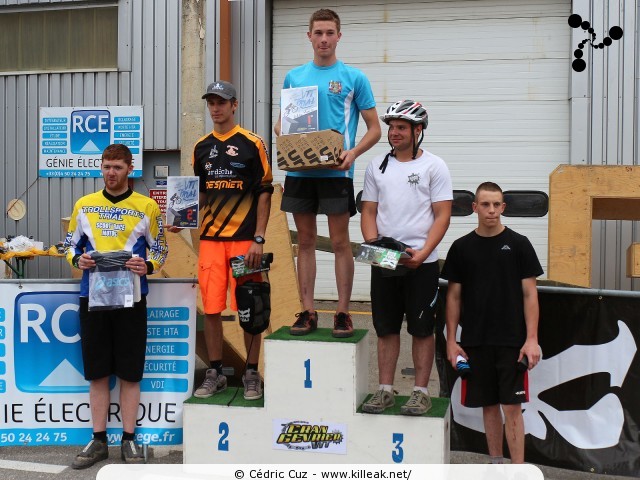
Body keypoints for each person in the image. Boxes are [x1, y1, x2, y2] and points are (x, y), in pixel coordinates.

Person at [274, 8, 381, 338]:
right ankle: (307, 311)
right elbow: (282, 123)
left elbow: (375, 128)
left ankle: (343, 313)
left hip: (337, 174)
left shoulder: (353, 78)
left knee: (339, 243)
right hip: (301, 173)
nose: (323, 39)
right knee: (304, 242)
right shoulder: (295, 77)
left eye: (329, 33)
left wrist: (353, 153)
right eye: (317, 33)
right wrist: (284, 135)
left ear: (339, 36)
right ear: (309, 36)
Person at [64, 144, 168, 469]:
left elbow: (161, 249)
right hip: (92, 300)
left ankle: (129, 440)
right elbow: (68, 245)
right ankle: (97, 440)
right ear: (101, 167)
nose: (111, 173)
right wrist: (75, 259)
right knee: (97, 373)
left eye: (118, 167)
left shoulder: (148, 206)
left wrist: (148, 267)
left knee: (130, 373)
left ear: (130, 168)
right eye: (107, 166)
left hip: (131, 300)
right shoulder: (84, 205)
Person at [181, 80, 273, 401]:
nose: (215, 108)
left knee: (251, 307)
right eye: (211, 102)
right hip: (210, 240)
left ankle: (251, 372)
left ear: (235, 105)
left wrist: (259, 238)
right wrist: (183, 215)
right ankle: (217, 372)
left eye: (221, 102)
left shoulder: (252, 143)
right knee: (211, 309)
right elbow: (202, 193)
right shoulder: (201, 147)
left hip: (245, 241)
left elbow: (264, 193)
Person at [360, 100, 452, 415]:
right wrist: (373, 247)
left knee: (422, 329)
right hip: (386, 259)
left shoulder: (434, 166)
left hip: (421, 262)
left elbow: (442, 215)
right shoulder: (377, 166)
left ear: (418, 130)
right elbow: (368, 210)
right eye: (392, 127)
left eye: (401, 127)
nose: (394, 133)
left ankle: (421, 392)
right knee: (385, 327)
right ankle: (385, 390)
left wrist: (424, 253)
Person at [441, 182, 543, 464]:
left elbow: (530, 294)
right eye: (485, 204)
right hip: (475, 340)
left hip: (512, 341)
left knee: (512, 407)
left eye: (497, 204)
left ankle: (518, 470)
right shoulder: (461, 248)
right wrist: (452, 341)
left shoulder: (520, 244)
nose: (491, 210)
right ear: (474, 208)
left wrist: (531, 339)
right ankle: (497, 464)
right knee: (488, 405)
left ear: (503, 207)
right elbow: (453, 297)